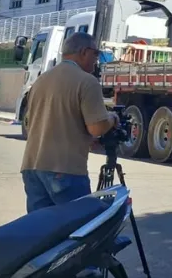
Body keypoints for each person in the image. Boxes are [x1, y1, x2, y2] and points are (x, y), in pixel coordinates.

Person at [20, 33, 118, 213]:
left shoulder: (41, 81)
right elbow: (97, 127)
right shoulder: (87, 81)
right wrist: (112, 119)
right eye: (96, 54)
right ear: (84, 52)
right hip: (64, 170)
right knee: (76, 228)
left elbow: (31, 124)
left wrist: (82, 138)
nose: (96, 60)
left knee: (40, 232)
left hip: (32, 167)